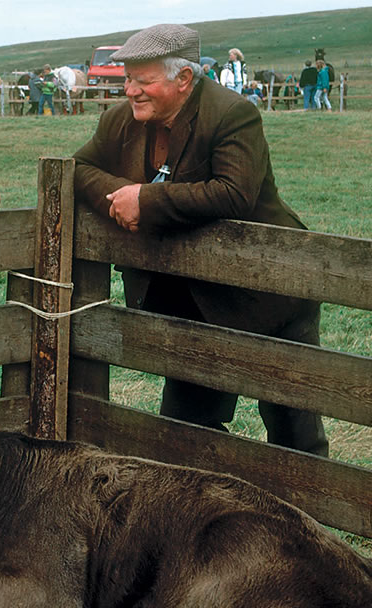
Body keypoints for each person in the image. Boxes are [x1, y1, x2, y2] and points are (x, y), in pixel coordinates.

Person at [72, 24, 328, 458]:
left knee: (293, 433)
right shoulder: (121, 121)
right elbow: (76, 168)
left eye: (143, 80)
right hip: (190, 306)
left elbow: (234, 192)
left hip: (266, 296)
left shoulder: (232, 114)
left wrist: (147, 201)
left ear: (184, 79)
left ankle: (311, 519)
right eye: (128, 79)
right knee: (186, 432)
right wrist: (122, 194)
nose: (131, 90)